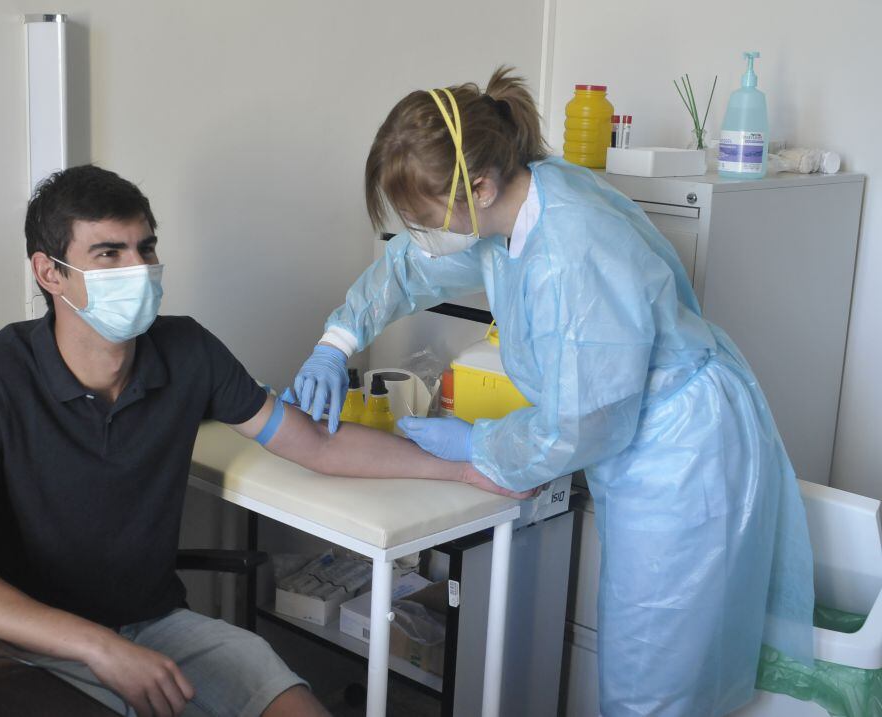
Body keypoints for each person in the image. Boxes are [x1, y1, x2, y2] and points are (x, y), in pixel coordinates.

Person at [0, 165, 536, 717]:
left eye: (146, 249)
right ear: (50, 273)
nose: (139, 270)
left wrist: (466, 467)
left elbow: (313, 446)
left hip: (156, 626)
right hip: (31, 641)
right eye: (109, 255)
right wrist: (99, 646)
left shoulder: (186, 351)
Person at [292, 68, 815, 717]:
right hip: (637, 434)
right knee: (653, 661)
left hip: (682, 454)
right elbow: (413, 266)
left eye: (424, 219)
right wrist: (337, 339)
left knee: (652, 683)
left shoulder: (573, 247)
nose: (418, 234)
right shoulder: (507, 212)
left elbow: (580, 422)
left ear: (477, 187)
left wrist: (481, 443)